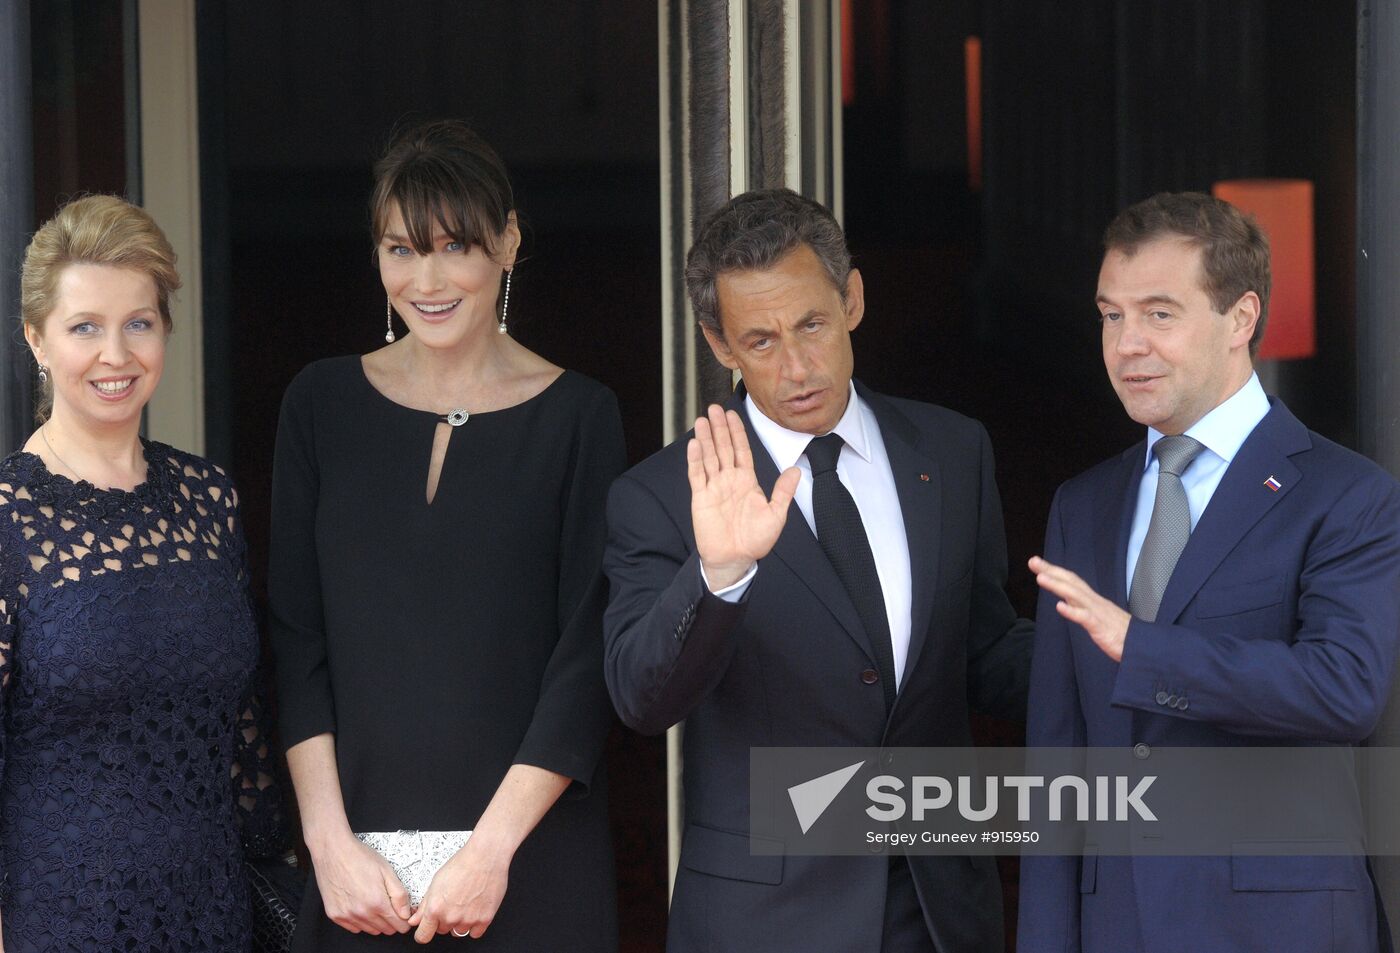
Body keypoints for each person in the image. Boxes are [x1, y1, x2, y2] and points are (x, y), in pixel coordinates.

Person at [603, 188, 1032, 953]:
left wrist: (1129, 650)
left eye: (811, 324)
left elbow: (984, 651)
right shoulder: (661, 496)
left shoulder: (952, 449)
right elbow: (642, 698)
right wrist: (720, 571)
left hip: (938, 909)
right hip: (766, 923)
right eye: (761, 340)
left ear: (852, 300)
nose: (797, 366)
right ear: (720, 344)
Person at [269, 120, 623, 950]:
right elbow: (295, 639)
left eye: (454, 246)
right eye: (401, 249)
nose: (425, 280)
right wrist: (327, 845)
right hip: (359, 879)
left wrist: (488, 853)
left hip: (528, 865)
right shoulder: (319, 405)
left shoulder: (581, 416)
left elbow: (586, 658)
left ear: (509, 242)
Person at [1018, 191, 1400, 953]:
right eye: (1111, 315)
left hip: (1279, 928)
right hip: (1118, 926)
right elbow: (1057, 763)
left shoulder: (1347, 494)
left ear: (1241, 318)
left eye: (1159, 314)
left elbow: (1344, 689)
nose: (1127, 344)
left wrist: (1144, 649)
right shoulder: (1082, 505)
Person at [0, 195, 283, 952]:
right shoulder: (8, 517)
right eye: (85, 327)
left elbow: (243, 737)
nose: (116, 354)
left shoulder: (208, 499)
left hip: (212, 913)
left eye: (139, 323)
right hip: (60, 923)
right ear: (36, 338)